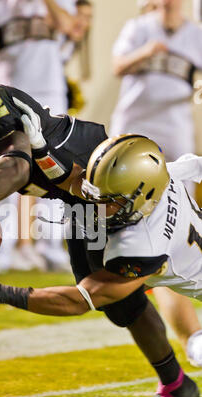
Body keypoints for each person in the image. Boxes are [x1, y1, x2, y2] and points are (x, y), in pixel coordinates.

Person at [0, 61, 199, 397]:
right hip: (80, 190)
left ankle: (177, 376)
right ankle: (176, 384)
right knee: (120, 304)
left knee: (107, 291)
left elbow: (16, 168)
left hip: (105, 188)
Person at [0, 134, 202, 397]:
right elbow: (195, 166)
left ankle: (178, 382)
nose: (100, 207)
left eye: (112, 201)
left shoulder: (143, 244)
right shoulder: (160, 177)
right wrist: (42, 150)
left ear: (143, 196)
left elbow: (81, 299)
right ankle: (176, 385)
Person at [110, 0, 202, 370]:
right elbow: (117, 66)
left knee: (178, 230)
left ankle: (192, 340)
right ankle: (192, 338)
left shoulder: (195, 34)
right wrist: (147, 52)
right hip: (134, 132)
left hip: (176, 132)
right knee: (146, 235)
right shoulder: (138, 28)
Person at [0, 0, 85, 273]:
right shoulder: (1, 5)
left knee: (55, 171)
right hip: (9, 96)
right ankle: (2, 251)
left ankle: (50, 250)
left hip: (51, 95)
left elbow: (71, 28)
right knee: (8, 166)